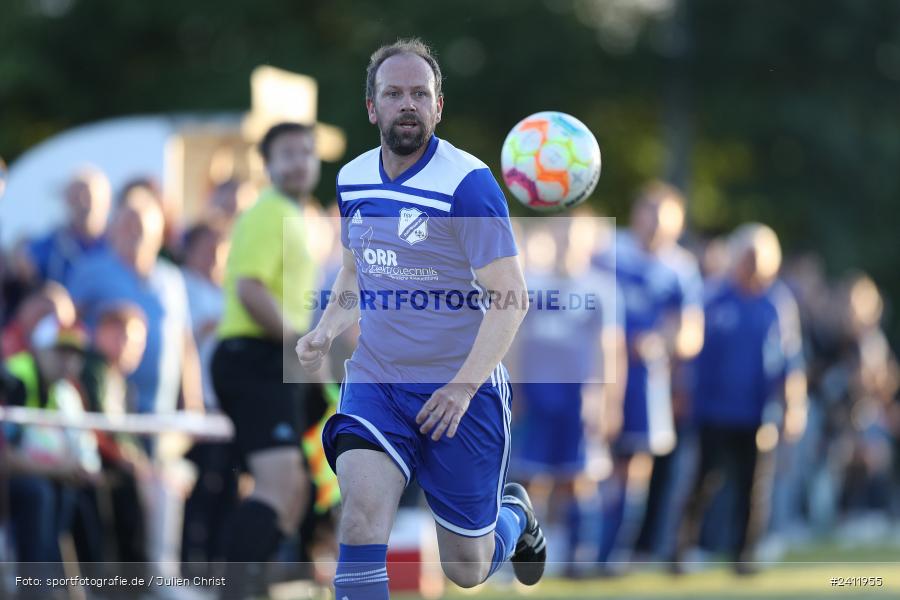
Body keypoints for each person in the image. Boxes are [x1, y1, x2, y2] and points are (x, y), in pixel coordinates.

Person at [296, 39, 546, 598]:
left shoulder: (470, 185)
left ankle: (515, 515)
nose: (406, 103)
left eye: (419, 93)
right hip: (377, 381)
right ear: (372, 106)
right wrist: (326, 329)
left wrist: (460, 389)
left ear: (438, 106)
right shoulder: (352, 179)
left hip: (460, 394)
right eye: (393, 93)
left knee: (465, 567)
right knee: (360, 520)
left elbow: (511, 296)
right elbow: (356, 273)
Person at [211, 122, 321, 595]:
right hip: (250, 356)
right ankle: (231, 588)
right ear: (269, 165)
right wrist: (299, 343)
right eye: (287, 154)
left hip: (274, 361)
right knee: (279, 488)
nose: (298, 161)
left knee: (296, 492)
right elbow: (250, 289)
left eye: (306, 152)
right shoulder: (267, 212)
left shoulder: (297, 217)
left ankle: (248, 583)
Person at [671, 223, 806, 573]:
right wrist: (682, 392)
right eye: (747, 256)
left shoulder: (776, 304)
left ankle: (744, 555)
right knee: (702, 483)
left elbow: (789, 362)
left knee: (753, 488)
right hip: (712, 410)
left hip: (757, 413)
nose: (752, 265)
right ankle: (681, 551)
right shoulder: (712, 296)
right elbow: (691, 354)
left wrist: (793, 408)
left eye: (759, 258)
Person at [591, 182, 704, 567]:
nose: (655, 224)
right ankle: (574, 546)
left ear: (678, 223)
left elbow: (691, 332)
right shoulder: (608, 252)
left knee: (633, 470)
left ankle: (614, 553)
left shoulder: (680, 269)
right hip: (597, 376)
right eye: (649, 212)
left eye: (664, 217)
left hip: (645, 384)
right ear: (636, 213)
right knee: (586, 463)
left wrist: (662, 343)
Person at [510, 217, 626, 573]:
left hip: (579, 400)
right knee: (529, 477)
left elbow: (609, 349)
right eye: (561, 236)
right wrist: (513, 392)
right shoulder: (530, 285)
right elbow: (513, 343)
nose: (567, 244)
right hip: (537, 396)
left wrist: (608, 402)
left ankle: (580, 558)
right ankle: (524, 557)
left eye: (574, 237)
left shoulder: (601, 288)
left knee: (580, 479)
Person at [20, 167, 111, 285]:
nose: (82, 203)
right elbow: (26, 259)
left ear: (106, 201)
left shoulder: (118, 243)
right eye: (75, 196)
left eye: (88, 196)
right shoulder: (53, 244)